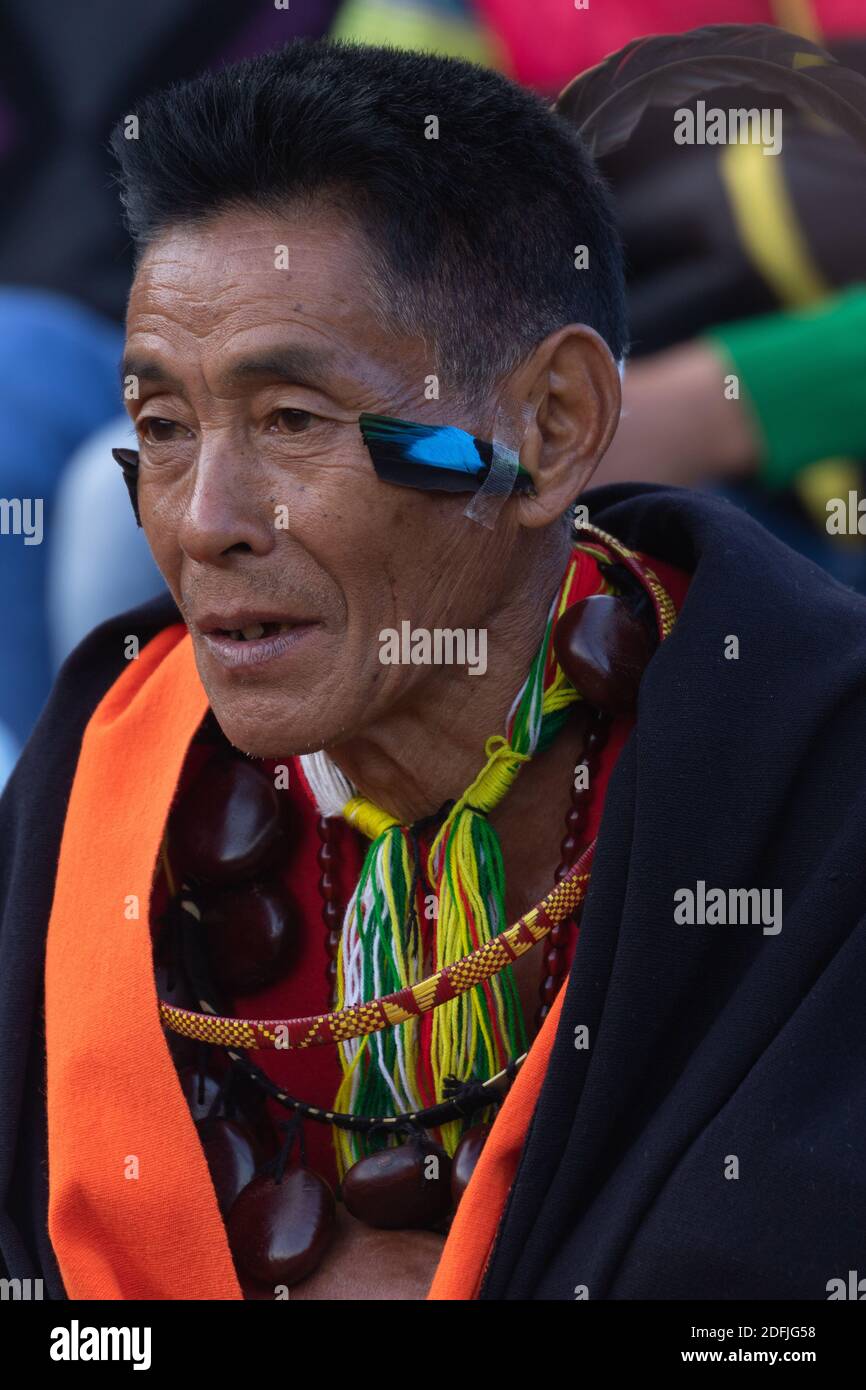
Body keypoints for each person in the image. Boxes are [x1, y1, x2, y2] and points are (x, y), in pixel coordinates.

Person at [2, 38, 865, 1303]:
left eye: (293, 421)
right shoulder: (112, 771)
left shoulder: (809, 781)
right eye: (164, 429)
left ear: (552, 426)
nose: (204, 521)